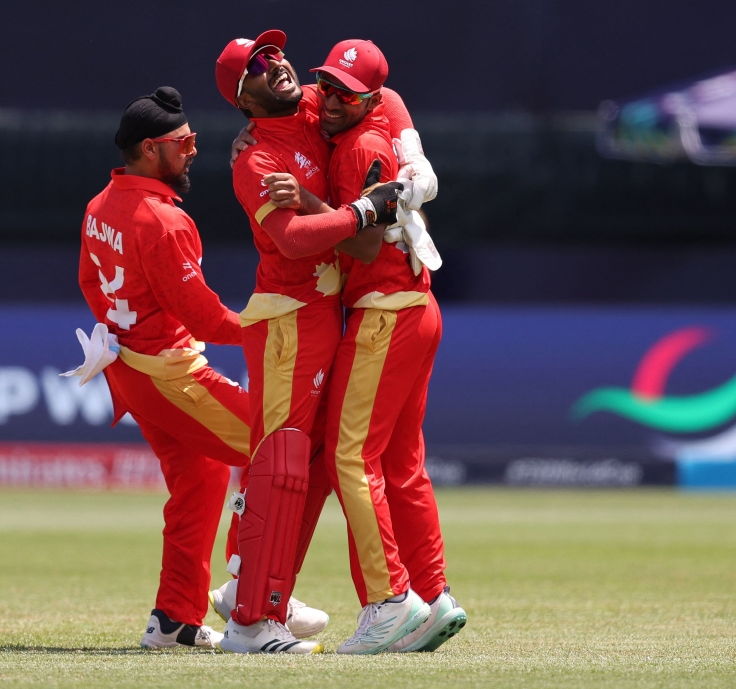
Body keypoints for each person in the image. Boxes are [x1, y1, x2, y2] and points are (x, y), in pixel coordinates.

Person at [257, 40, 465, 655]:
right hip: (414, 308)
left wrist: (306, 201)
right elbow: (318, 105)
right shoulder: (370, 118)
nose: (331, 101)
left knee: (350, 459)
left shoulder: (360, 147)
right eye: (328, 86)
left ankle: (390, 602)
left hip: (385, 312)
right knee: (400, 465)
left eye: (347, 94)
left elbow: (367, 246)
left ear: (370, 98)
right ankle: (432, 596)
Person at [211, 30, 403, 654]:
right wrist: (364, 214)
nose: (279, 65)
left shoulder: (319, 107)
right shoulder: (254, 158)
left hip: (321, 312)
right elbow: (294, 239)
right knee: (283, 460)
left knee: (309, 462)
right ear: (243, 98)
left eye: (277, 54)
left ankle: (263, 595)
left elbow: (384, 96)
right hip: (288, 316)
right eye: (259, 66)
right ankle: (250, 621)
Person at [71, 87, 249, 650]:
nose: (194, 151)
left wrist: (124, 334)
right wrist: (274, 325)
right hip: (170, 374)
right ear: (151, 149)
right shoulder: (163, 220)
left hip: (129, 369)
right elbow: (203, 315)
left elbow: (88, 283)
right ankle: (256, 593)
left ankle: (174, 621)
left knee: (202, 479)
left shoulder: (100, 205)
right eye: (185, 143)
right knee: (281, 452)